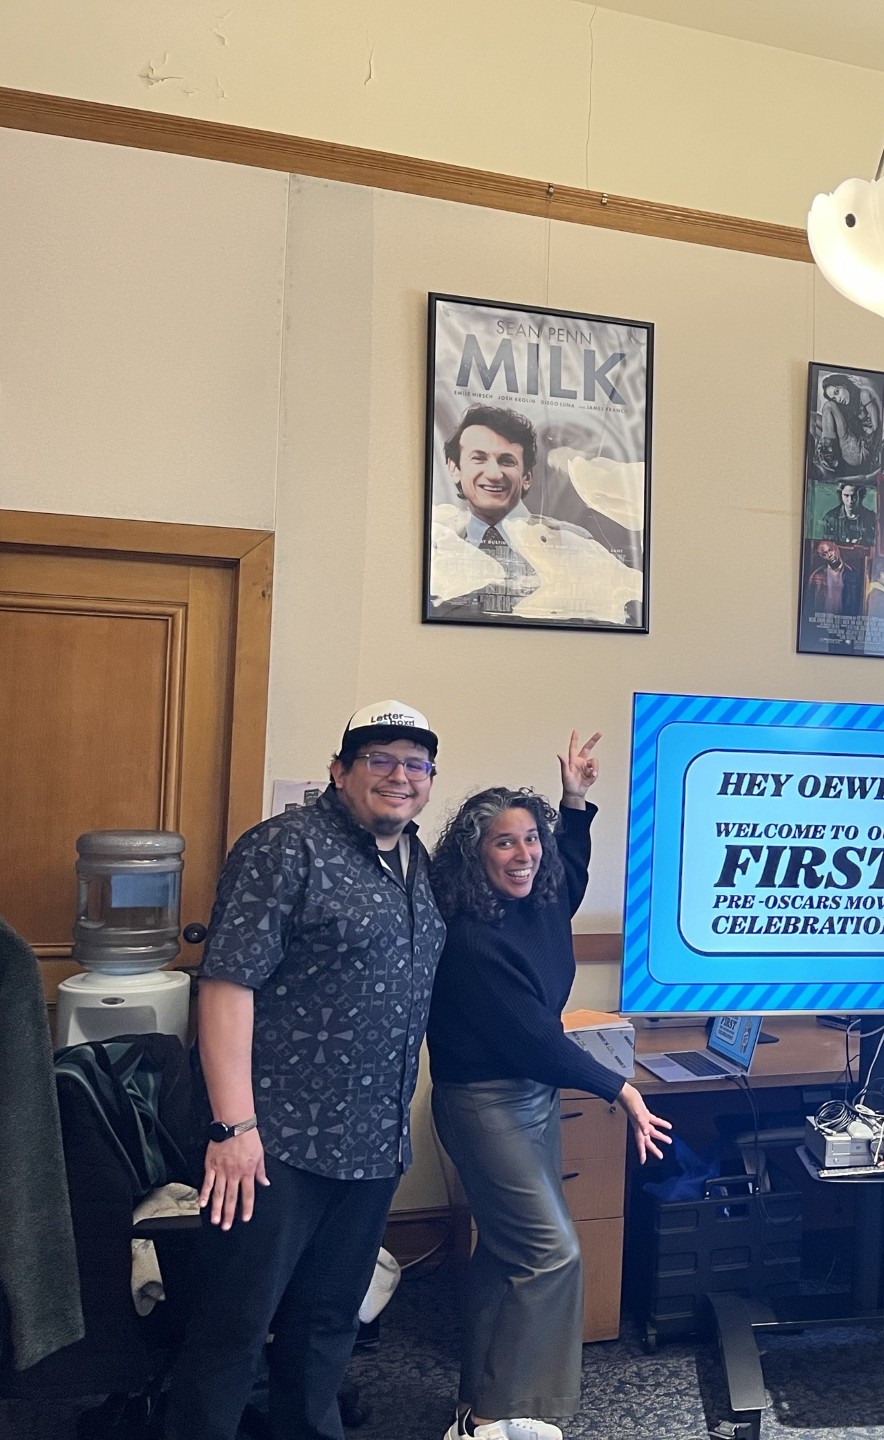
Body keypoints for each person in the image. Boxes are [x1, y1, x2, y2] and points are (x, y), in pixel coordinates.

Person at [168, 702, 448, 1440]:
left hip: (372, 1141)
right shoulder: (284, 847)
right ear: (340, 770)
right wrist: (233, 1127)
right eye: (380, 759)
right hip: (274, 1144)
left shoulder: (416, 861)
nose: (399, 776)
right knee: (233, 1329)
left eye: (416, 764)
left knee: (328, 1325)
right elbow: (227, 985)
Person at [428, 731, 673, 1440]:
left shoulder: (538, 902)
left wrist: (573, 801)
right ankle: (502, 1414)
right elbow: (533, 1040)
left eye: (530, 839)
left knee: (508, 1254)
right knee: (550, 1253)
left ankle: (481, 1406)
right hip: (484, 1106)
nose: (526, 854)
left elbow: (570, 860)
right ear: (475, 854)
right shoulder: (474, 938)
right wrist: (618, 1088)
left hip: (528, 1100)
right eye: (505, 843)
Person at [430, 404, 615, 623]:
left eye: (506, 461)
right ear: (454, 469)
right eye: (478, 458)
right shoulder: (436, 545)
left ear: (527, 477)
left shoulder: (573, 543)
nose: (493, 474)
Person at [819, 482, 877, 549]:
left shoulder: (872, 518)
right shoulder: (830, 518)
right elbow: (826, 545)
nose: (850, 500)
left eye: (854, 496)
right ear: (841, 495)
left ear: (860, 496)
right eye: (846, 495)